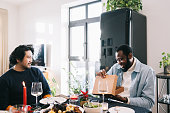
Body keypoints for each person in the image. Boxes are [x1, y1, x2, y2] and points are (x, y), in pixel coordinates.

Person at [96, 45, 155, 110]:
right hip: (115, 107)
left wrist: (125, 100)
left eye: (121, 59)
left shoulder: (147, 72)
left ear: (130, 56)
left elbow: (149, 102)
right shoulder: (116, 67)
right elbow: (105, 87)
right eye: (117, 60)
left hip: (133, 108)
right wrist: (101, 77)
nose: (119, 63)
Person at [0, 45, 51, 110]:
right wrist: (16, 110)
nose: (31, 60)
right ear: (18, 59)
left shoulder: (36, 72)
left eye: (31, 57)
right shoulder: (5, 79)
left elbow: (47, 92)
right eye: (28, 57)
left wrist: (46, 104)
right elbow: (3, 105)